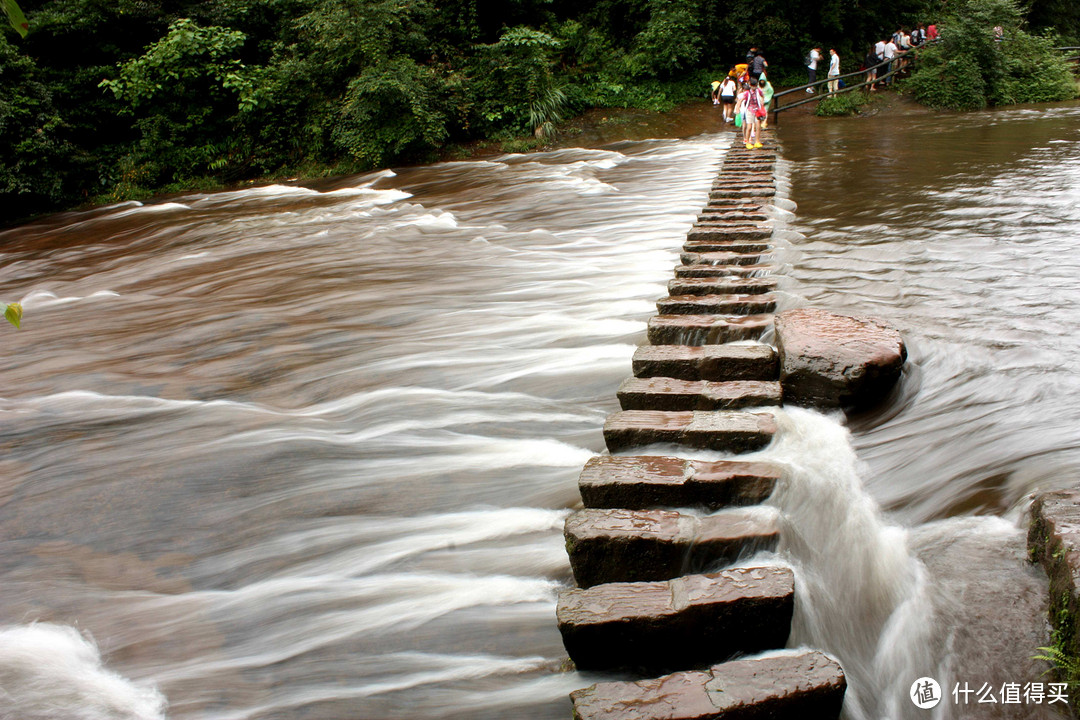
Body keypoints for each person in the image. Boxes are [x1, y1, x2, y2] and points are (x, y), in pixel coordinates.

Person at [741, 77, 766, 149]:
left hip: (757, 110)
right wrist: (737, 108)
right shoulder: (747, 93)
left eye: (756, 85)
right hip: (749, 110)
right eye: (753, 86)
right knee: (749, 127)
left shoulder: (758, 91)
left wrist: (762, 102)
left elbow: (762, 95)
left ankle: (757, 141)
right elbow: (741, 100)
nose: (754, 87)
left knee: (758, 126)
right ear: (750, 85)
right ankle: (748, 142)